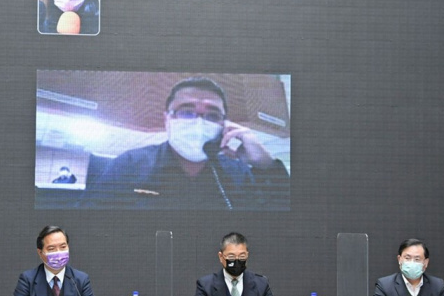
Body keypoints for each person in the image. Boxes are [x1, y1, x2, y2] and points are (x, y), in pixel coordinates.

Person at [81, 77, 290, 210]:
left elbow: (281, 222)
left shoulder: (239, 174)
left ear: (224, 124)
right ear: (168, 119)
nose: (198, 122)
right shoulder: (128, 165)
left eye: (212, 114)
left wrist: (267, 165)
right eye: (187, 111)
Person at [12, 225, 97, 296]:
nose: (59, 252)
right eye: (51, 249)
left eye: (63, 247)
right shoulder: (27, 279)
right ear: (40, 252)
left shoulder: (81, 279)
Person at [191, 232, 282, 296]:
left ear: (247, 255)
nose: (237, 261)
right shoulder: (206, 284)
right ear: (221, 257)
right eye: (231, 257)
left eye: (242, 257)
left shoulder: (261, 283)